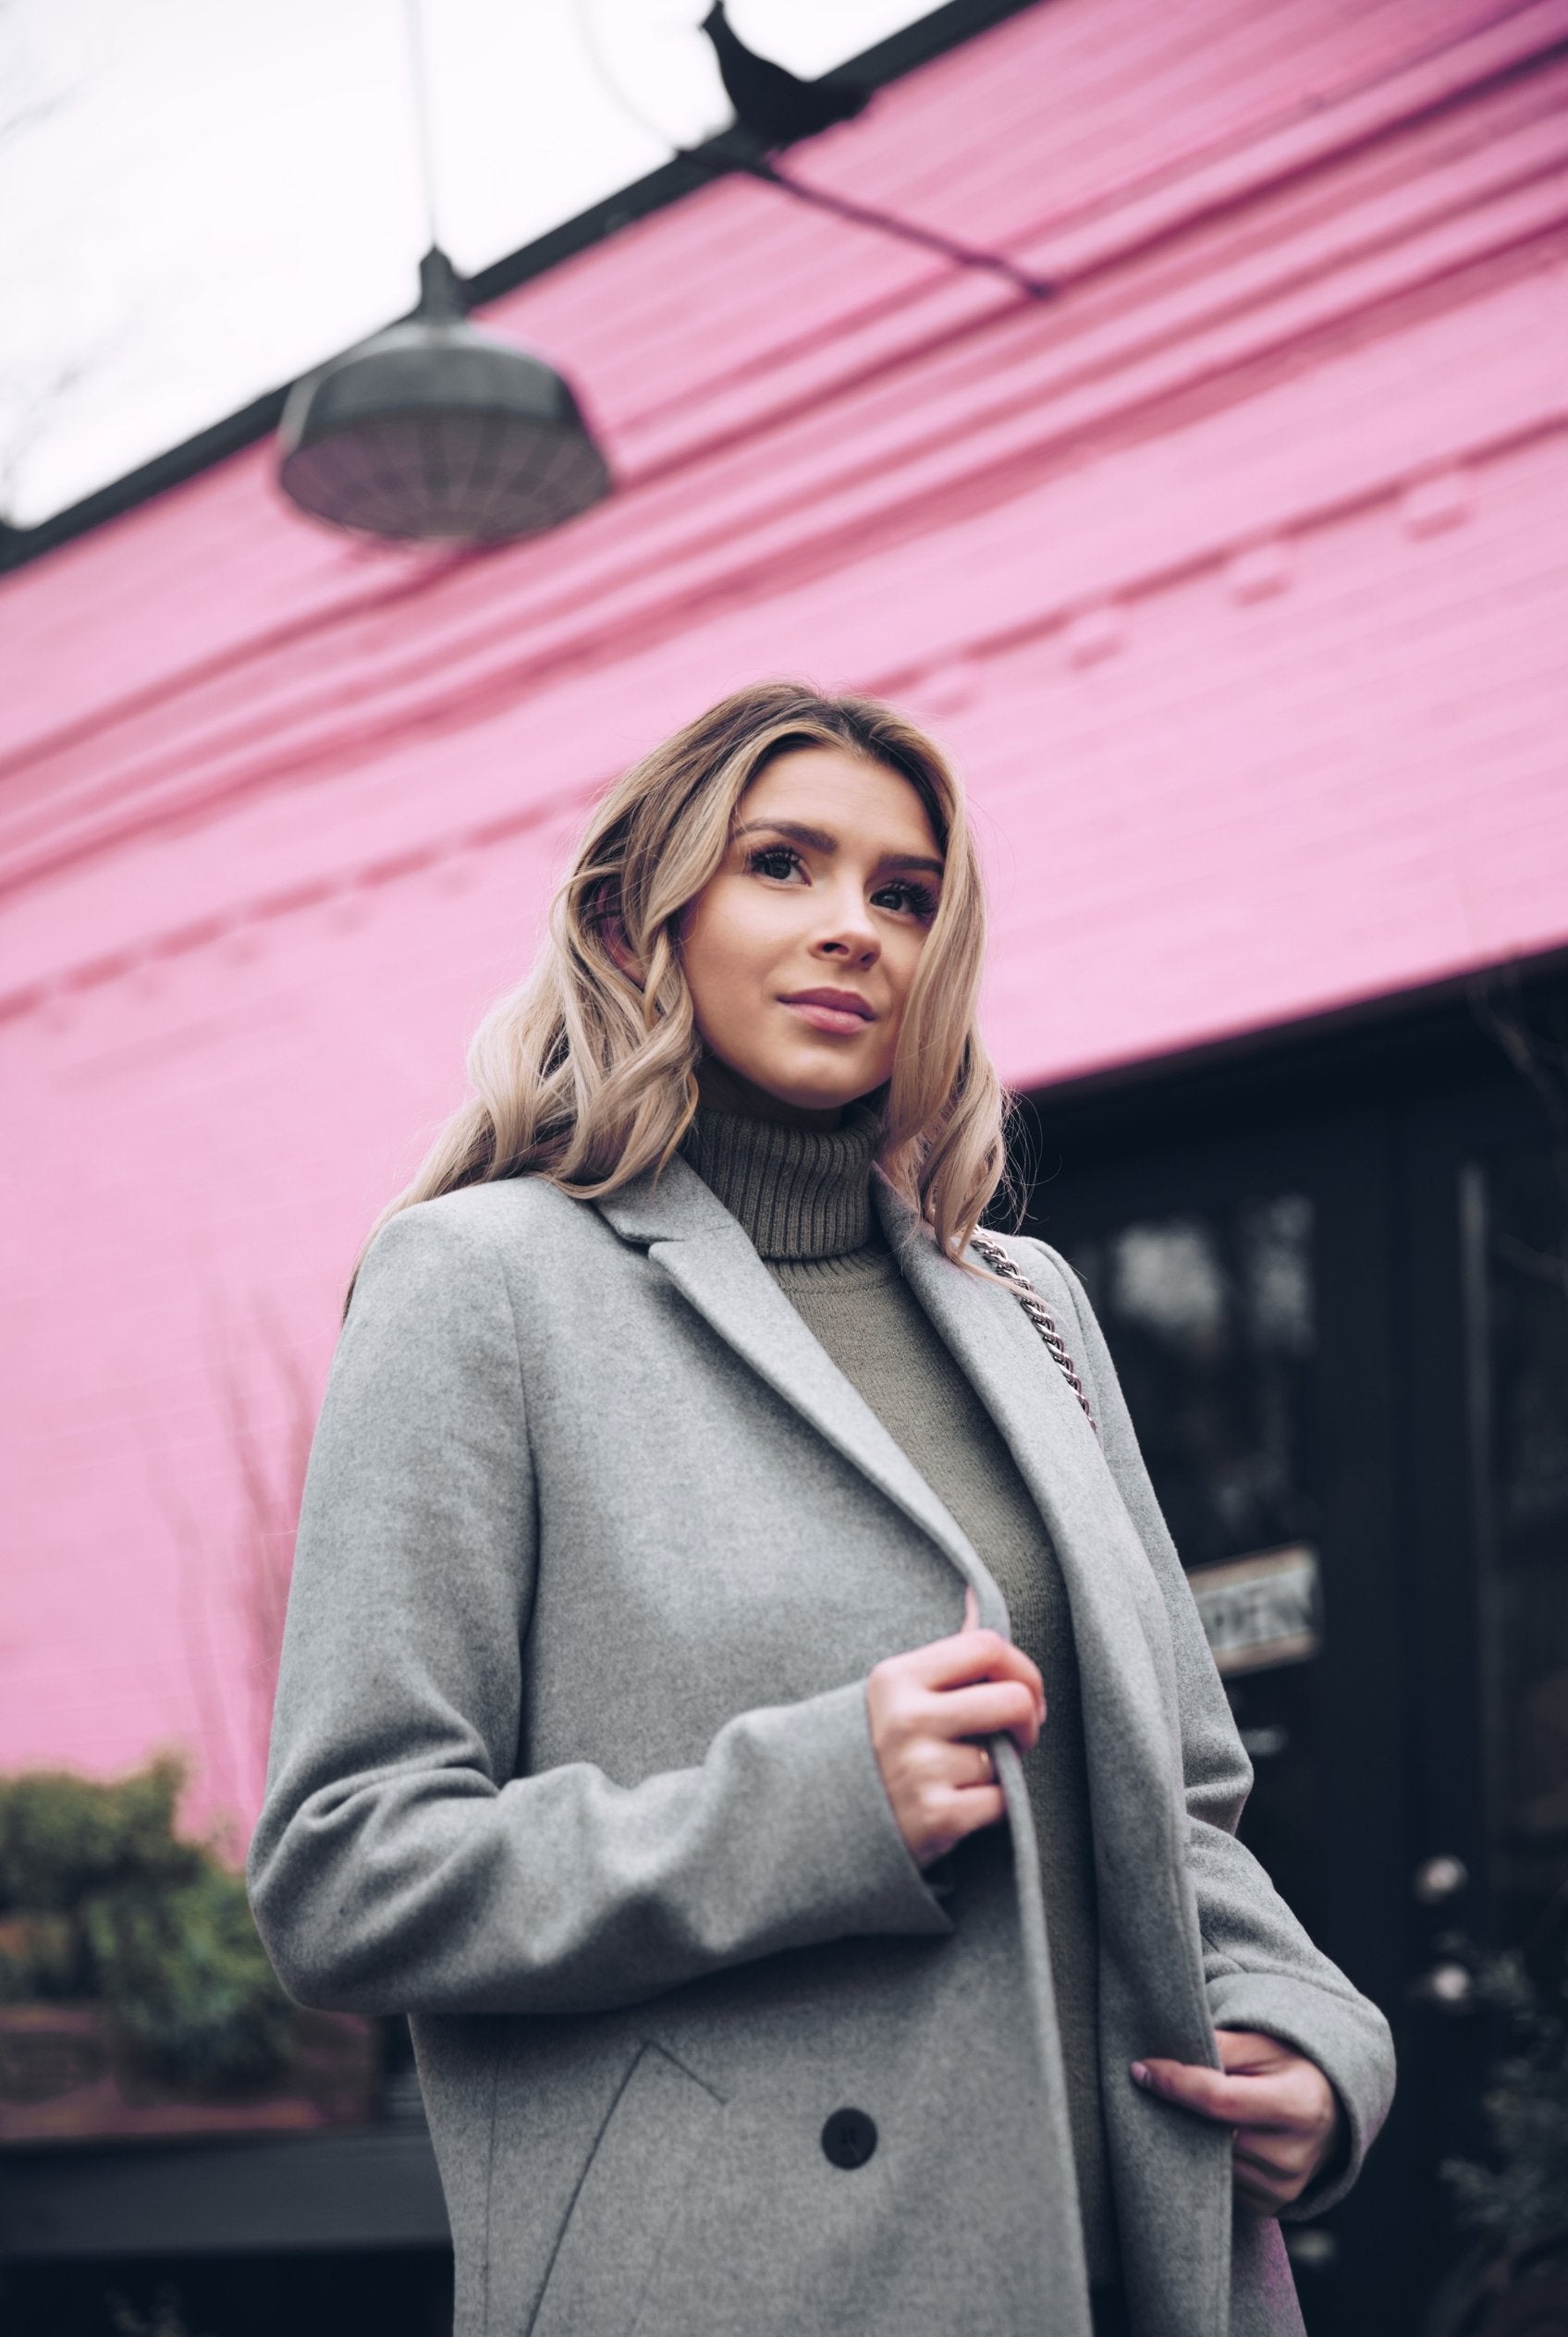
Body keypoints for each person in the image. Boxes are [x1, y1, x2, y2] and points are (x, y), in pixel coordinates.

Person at [248, 683, 1395, 2337]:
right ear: (642, 929)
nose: (854, 928)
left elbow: (1178, 1797)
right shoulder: (483, 1282)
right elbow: (345, 1870)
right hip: (745, 2277)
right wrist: (814, 1804)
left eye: (904, 893)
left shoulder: (1027, 1304)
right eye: (783, 866)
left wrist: (1304, 2031)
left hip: (1130, 2260)